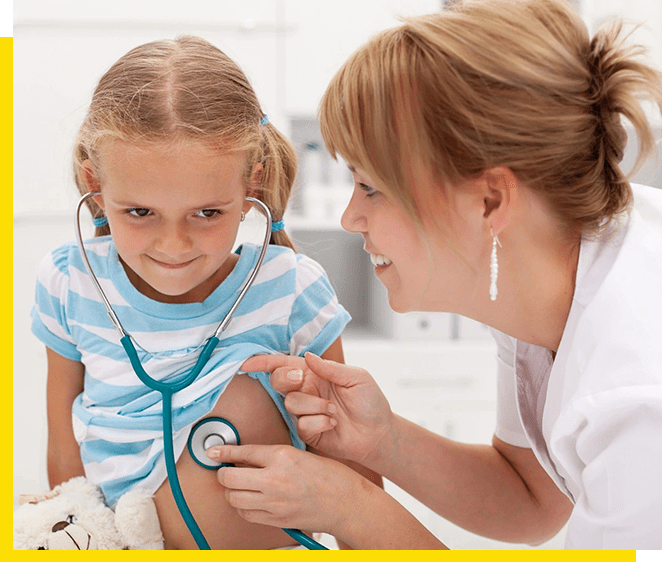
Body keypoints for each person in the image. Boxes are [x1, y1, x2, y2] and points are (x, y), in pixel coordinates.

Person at [204, 0, 662, 550]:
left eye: (371, 187)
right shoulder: (545, 273)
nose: (350, 218)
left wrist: (354, 508)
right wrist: (383, 441)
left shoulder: (637, 402)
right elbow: (532, 502)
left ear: (490, 201)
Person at [30, 35, 379, 550]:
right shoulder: (70, 281)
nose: (174, 245)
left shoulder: (289, 288)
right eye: (140, 212)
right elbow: (65, 458)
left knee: (241, 399)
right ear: (95, 188)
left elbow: (353, 463)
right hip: (119, 542)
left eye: (207, 213)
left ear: (250, 192)